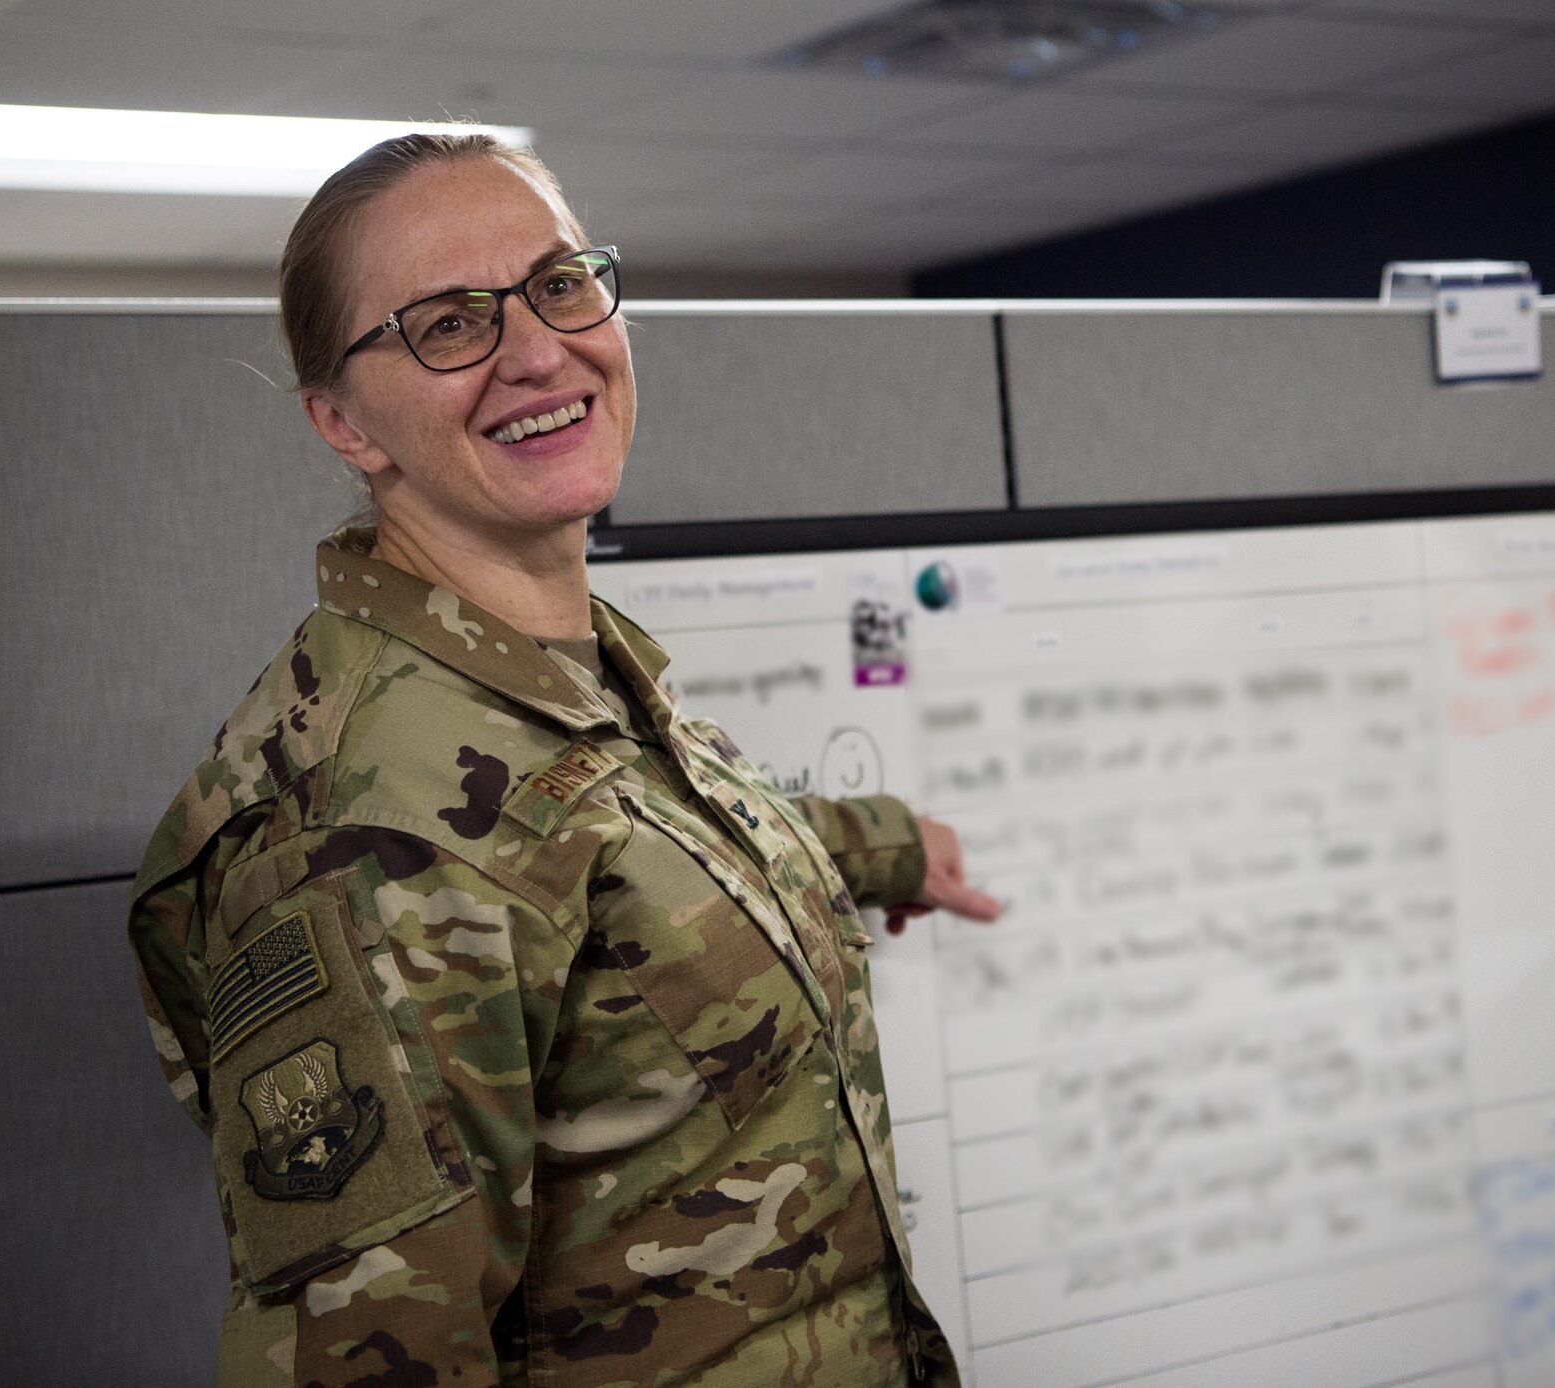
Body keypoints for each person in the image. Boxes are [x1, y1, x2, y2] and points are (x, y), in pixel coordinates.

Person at [126, 131, 1000, 1388]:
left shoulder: (556, 675)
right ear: (342, 421)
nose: (538, 349)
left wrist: (880, 845)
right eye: (446, 324)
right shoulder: (371, 836)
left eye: (558, 283)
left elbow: (621, 856)